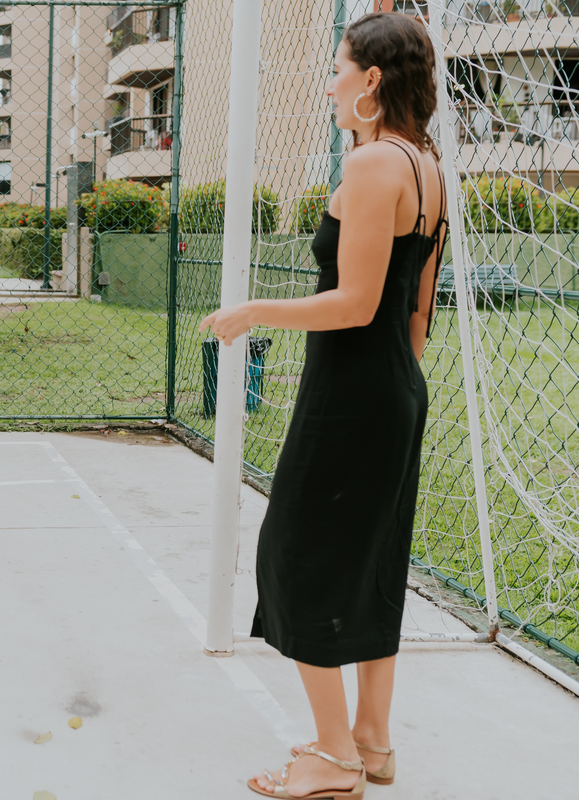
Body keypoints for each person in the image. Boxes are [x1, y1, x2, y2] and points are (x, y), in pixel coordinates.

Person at [199, 13, 447, 799]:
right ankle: (372, 741)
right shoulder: (428, 164)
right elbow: (417, 315)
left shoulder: (376, 164)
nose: (329, 85)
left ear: (372, 80)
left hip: (353, 395)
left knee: (296, 559)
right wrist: (390, 393)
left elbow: (356, 301)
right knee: (372, 560)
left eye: (337, 70)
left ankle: (332, 759)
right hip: (394, 388)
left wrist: (252, 311)